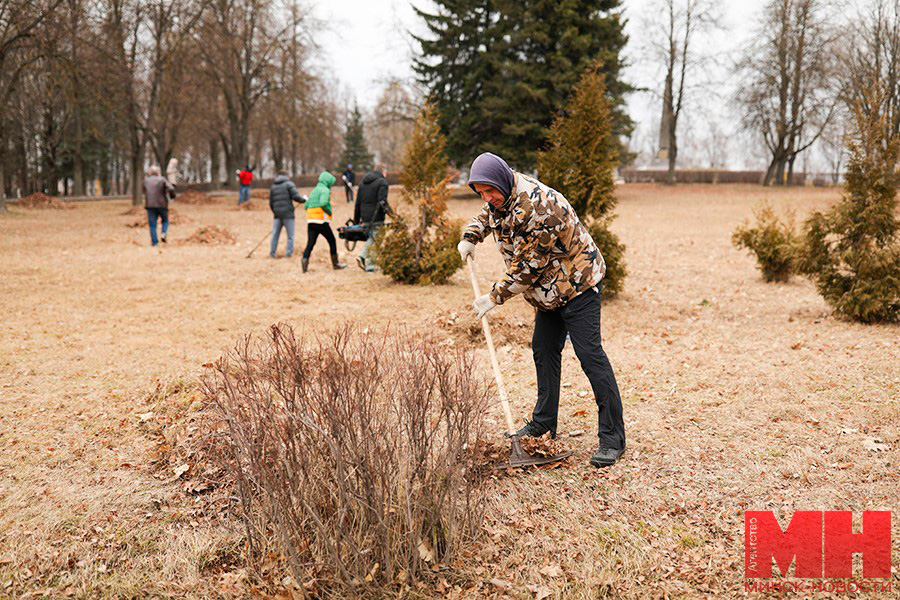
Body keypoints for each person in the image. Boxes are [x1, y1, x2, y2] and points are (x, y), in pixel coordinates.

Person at [457, 152, 626, 468]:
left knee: (590, 355)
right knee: (544, 350)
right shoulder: (502, 194)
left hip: (578, 284)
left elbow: (529, 267)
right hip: (549, 291)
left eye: (490, 190)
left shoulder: (540, 207)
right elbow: (488, 213)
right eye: (481, 192)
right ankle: (543, 423)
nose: (487, 197)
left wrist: (493, 297)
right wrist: (470, 236)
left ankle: (613, 438)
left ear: (502, 180)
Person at [301, 171, 347, 272]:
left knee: (310, 243)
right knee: (332, 241)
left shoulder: (314, 190)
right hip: (321, 221)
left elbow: (306, 206)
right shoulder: (325, 190)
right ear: (328, 182)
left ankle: (304, 266)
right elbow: (323, 203)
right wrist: (329, 211)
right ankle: (336, 264)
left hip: (311, 220)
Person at [353, 164, 391, 272]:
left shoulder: (362, 183)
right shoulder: (382, 182)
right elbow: (382, 202)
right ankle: (364, 257)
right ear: (383, 171)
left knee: (373, 238)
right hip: (376, 216)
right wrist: (392, 215)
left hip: (365, 216)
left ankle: (369, 264)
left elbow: (358, 203)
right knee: (377, 237)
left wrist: (356, 221)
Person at [268, 171, 305, 258]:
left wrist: (275, 212)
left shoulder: (273, 186)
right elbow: (296, 197)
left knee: (275, 235)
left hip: (277, 215)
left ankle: (272, 253)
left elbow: (271, 203)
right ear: (286, 175)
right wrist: (303, 200)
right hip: (288, 214)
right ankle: (288, 254)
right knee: (290, 236)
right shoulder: (289, 184)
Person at [143, 165, 175, 246]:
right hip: (162, 204)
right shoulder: (162, 179)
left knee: (152, 225)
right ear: (157, 172)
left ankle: (154, 243)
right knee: (165, 220)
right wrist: (172, 196)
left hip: (150, 205)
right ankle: (163, 233)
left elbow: (144, 191)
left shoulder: (146, 181)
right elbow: (171, 188)